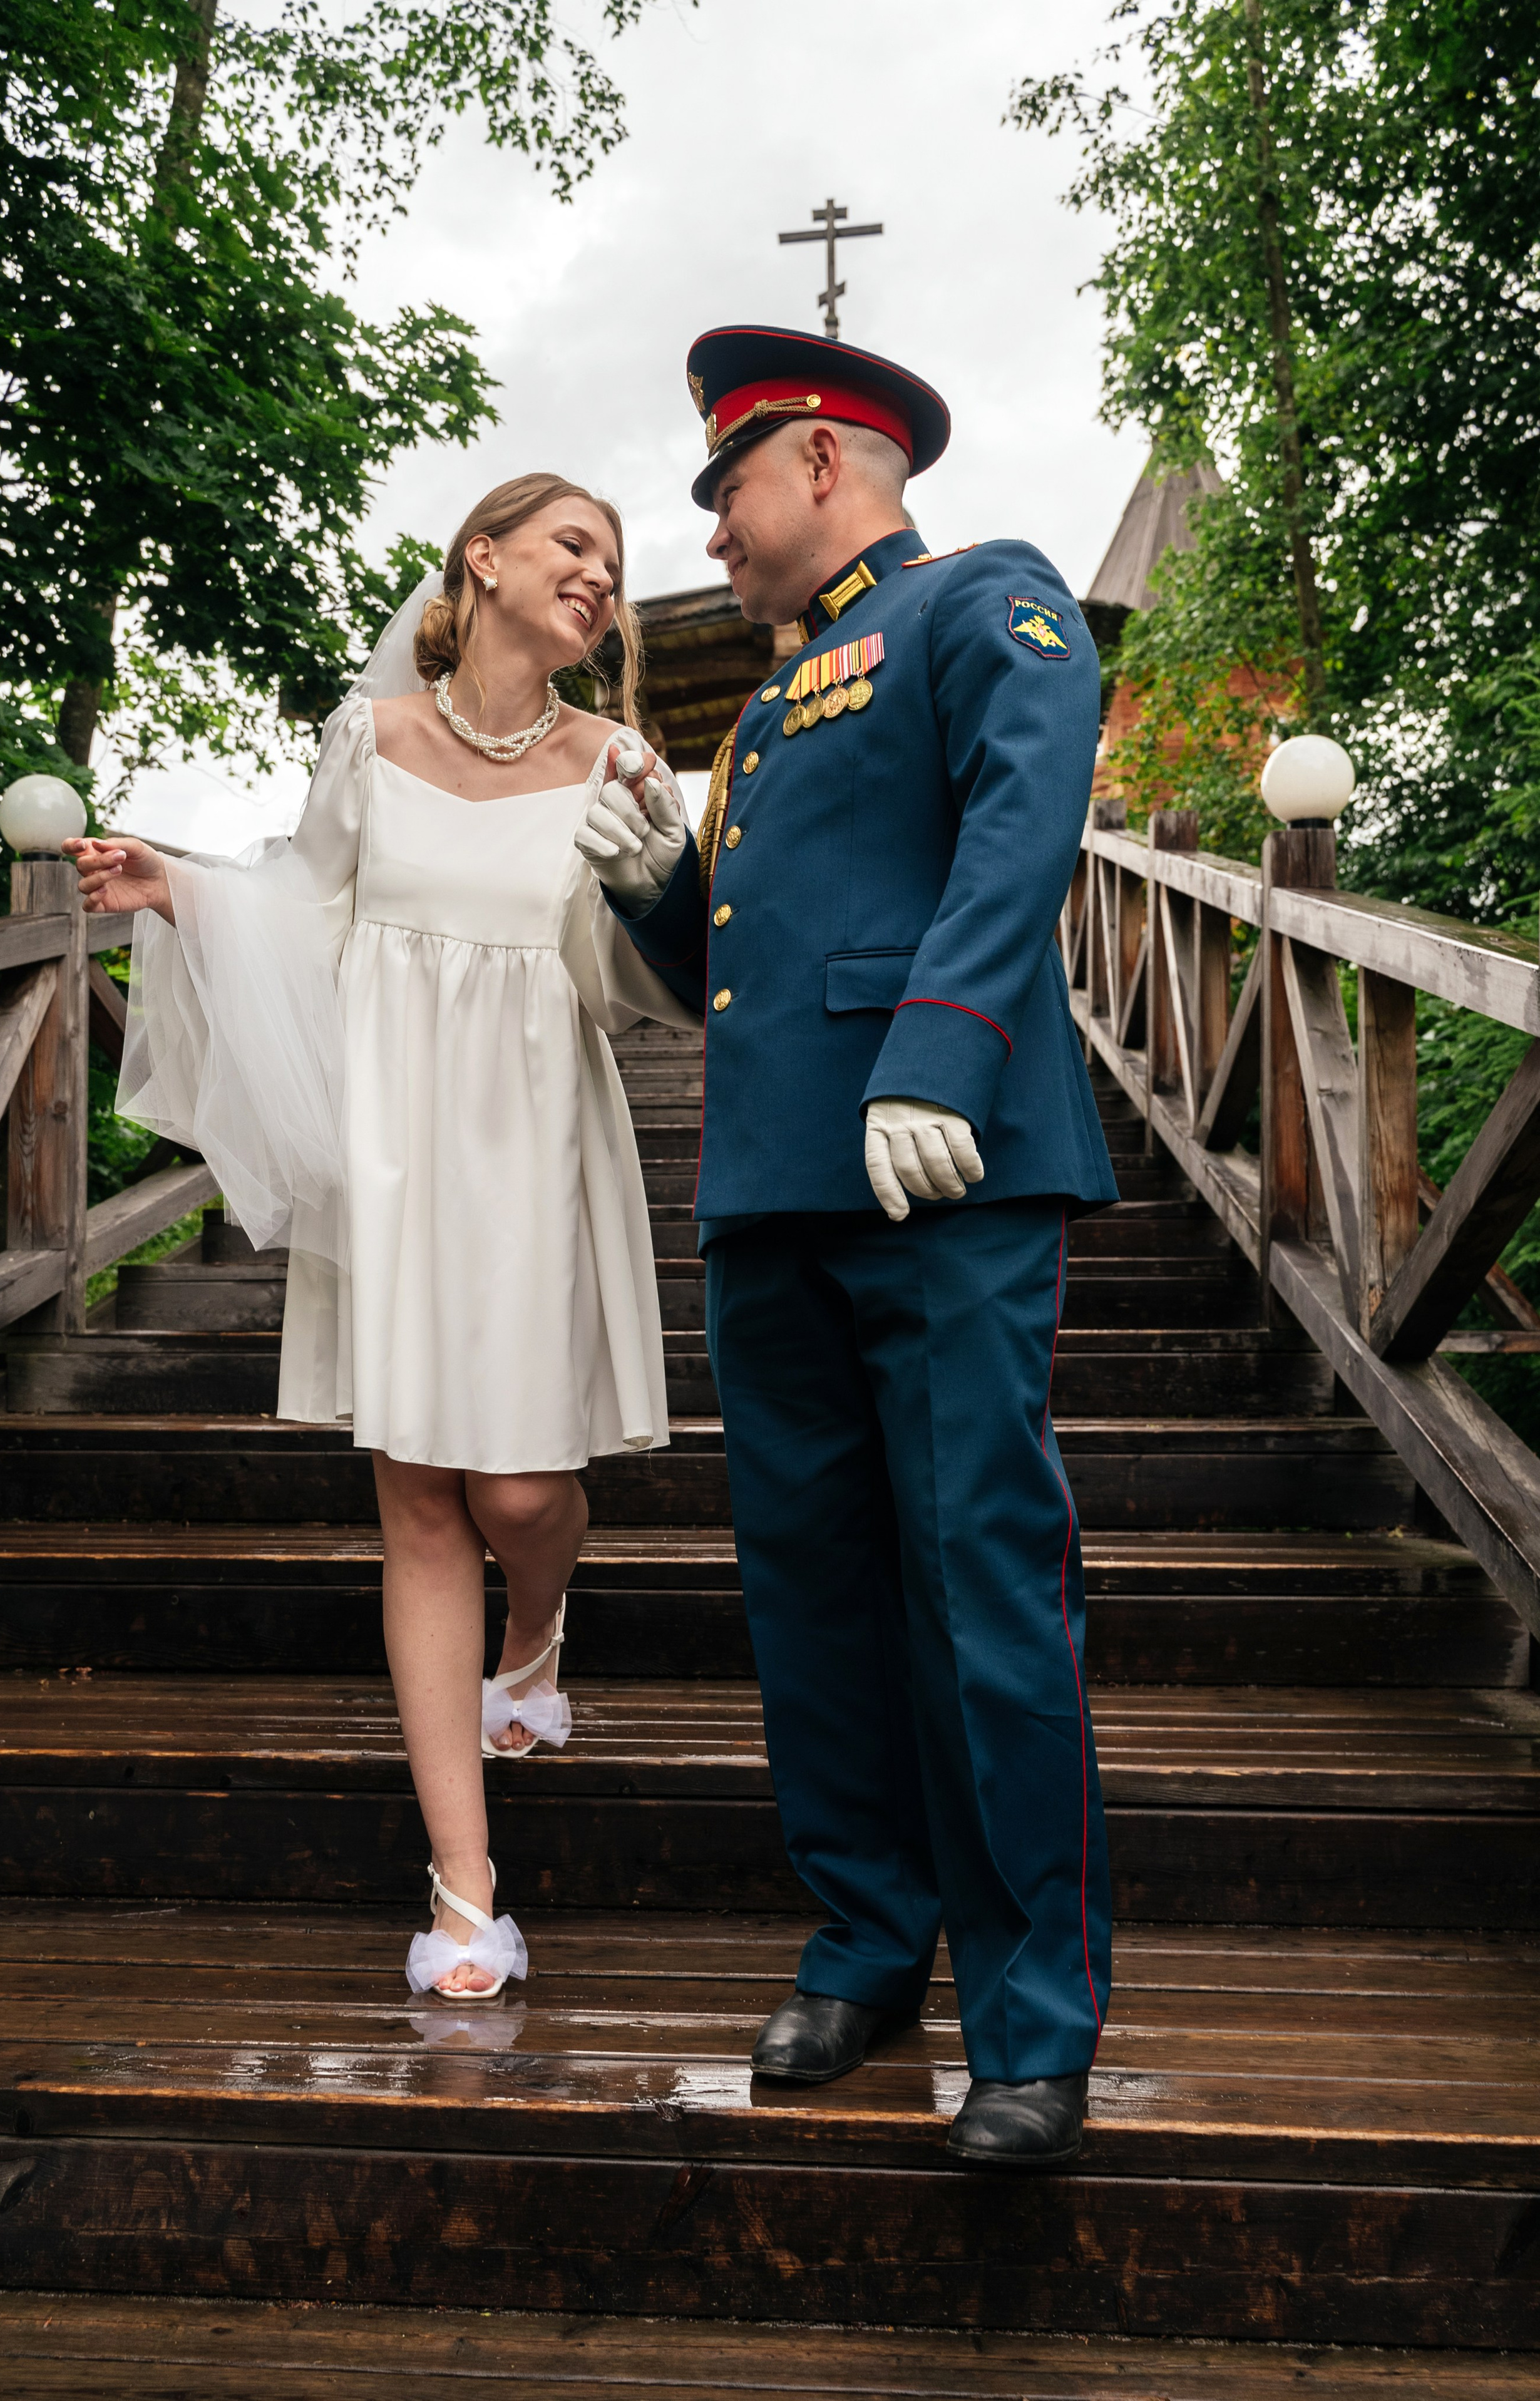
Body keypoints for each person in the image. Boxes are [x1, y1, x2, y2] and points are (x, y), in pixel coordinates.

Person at [573, 329, 1118, 2168]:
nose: (711, 531)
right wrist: (662, 888)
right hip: (775, 1192)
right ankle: (870, 1940)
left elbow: (1031, 807)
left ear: (821, 458)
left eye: (724, 487)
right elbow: (731, 971)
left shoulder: (983, 598)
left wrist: (949, 1044)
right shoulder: (766, 705)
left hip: (941, 1168)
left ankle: (1032, 2023)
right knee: (809, 1595)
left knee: (978, 1584)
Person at [68, 473, 698, 2001]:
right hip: (398, 1141)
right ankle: (467, 1894)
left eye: (613, 564)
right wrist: (183, 894)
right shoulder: (372, 738)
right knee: (420, 1500)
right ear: (479, 561)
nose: (599, 576)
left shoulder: (617, 760)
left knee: (524, 1489)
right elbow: (311, 913)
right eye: (572, 545)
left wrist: (653, 878)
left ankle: (534, 1638)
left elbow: (648, 995)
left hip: (537, 1127)